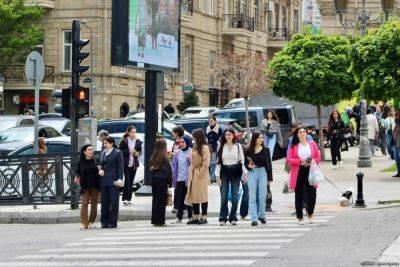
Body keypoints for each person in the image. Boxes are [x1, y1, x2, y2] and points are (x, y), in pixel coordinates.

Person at [287, 126, 321, 225]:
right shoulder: (294, 146)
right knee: (299, 194)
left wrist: (311, 161)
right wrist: (300, 161)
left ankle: (310, 213)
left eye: (303, 131)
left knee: (312, 193)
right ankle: (300, 217)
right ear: (297, 135)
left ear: (306, 133)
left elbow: (318, 157)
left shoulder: (312, 144)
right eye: (300, 132)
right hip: (298, 171)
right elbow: (289, 159)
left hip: (311, 169)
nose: (302, 133)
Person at [215, 128, 248, 226]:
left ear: (233, 135)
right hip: (224, 171)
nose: (228, 136)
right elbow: (218, 162)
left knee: (235, 197)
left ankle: (233, 217)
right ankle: (223, 218)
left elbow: (242, 161)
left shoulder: (238, 146)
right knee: (224, 197)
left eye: (229, 134)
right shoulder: (221, 146)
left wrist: (244, 174)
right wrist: (217, 176)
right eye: (226, 135)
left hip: (235, 171)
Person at [244, 132, 273, 226]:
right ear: (254, 139)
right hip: (252, 173)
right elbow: (244, 163)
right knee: (252, 196)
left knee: (262, 196)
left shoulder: (266, 150)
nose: (261, 139)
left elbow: (269, 164)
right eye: (259, 137)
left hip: (263, 173)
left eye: (262, 137)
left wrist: (269, 178)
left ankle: (262, 215)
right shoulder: (248, 150)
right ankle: (254, 218)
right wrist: (248, 166)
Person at [185, 128, 210, 225]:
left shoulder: (205, 148)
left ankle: (204, 216)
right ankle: (195, 216)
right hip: (193, 172)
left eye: (194, 136)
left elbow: (206, 162)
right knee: (194, 195)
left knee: (202, 195)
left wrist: (200, 173)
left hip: (201, 174)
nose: (193, 138)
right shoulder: (195, 146)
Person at [99, 136, 124, 229]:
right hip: (103, 181)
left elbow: (120, 167)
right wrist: (100, 170)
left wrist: (120, 178)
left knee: (113, 202)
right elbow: (101, 165)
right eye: (103, 143)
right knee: (104, 202)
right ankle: (104, 221)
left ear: (111, 143)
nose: (104, 145)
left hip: (114, 181)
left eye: (106, 143)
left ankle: (112, 222)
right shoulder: (102, 153)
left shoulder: (117, 153)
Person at [75, 144, 100, 229]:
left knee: (94, 205)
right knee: (84, 204)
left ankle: (91, 222)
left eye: (92, 149)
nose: (91, 151)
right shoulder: (80, 162)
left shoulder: (96, 160)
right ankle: (85, 224)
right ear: (84, 152)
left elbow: (101, 169)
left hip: (95, 186)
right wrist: (77, 177)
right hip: (85, 186)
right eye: (89, 150)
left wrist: (100, 170)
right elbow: (77, 172)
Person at [150, 139, 173, 226]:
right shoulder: (164, 157)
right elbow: (168, 171)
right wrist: (170, 182)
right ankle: (160, 221)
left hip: (154, 181)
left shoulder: (153, 156)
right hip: (162, 181)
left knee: (155, 201)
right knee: (162, 202)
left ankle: (155, 220)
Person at [171, 136, 193, 224]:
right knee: (180, 199)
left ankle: (190, 217)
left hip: (188, 179)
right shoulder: (177, 153)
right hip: (179, 178)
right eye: (179, 142)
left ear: (187, 142)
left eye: (183, 142)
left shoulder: (191, 151)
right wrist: (174, 176)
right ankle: (179, 218)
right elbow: (173, 165)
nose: (181, 144)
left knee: (189, 198)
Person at [119, 126, 143, 206]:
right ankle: (125, 199)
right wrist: (129, 151)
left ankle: (129, 199)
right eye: (132, 132)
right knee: (127, 181)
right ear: (128, 132)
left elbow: (140, 151)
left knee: (131, 181)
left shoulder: (138, 141)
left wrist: (136, 152)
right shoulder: (124, 141)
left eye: (134, 132)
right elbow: (120, 151)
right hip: (126, 164)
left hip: (134, 164)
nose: (133, 134)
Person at [171, 126, 185, 213]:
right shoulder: (183, 141)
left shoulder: (178, 142)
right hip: (181, 168)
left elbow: (176, 153)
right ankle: (180, 206)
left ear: (176, 133)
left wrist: (171, 154)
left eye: (173, 132)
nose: (172, 133)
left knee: (178, 188)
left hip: (179, 168)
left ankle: (177, 206)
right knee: (180, 188)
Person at [206, 116, 223, 184]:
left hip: (216, 148)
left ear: (215, 121)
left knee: (214, 162)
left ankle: (213, 177)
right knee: (210, 162)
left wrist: (219, 145)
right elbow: (206, 138)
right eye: (209, 121)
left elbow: (221, 138)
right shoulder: (207, 128)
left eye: (212, 121)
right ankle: (212, 177)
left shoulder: (218, 129)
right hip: (209, 148)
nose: (210, 122)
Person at [392, 109, 400, 177]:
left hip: (399, 143)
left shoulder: (398, 123)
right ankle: (399, 172)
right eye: (397, 114)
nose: (397, 115)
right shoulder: (397, 122)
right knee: (396, 158)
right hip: (396, 142)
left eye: (399, 114)